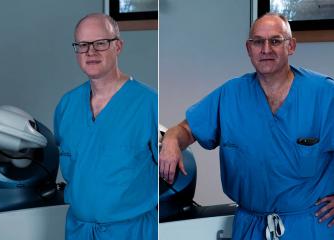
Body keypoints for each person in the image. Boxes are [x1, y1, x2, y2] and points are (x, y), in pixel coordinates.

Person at [159, 12, 334, 239]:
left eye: (275, 41)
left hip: (311, 225)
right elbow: (186, 129)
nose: (266, 49)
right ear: (248, 48)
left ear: (291, 46)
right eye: (258, 42)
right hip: (251, 227)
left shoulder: (324, 93)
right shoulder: (231, 94)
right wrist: (172, 140)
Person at [54, 13, 158, 240]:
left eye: (100, 43)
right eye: (82, 45)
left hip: (131, 231)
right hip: (79, 230)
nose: (90, 52)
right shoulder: (67, 105)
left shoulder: (149, 103)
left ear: (118, 46)